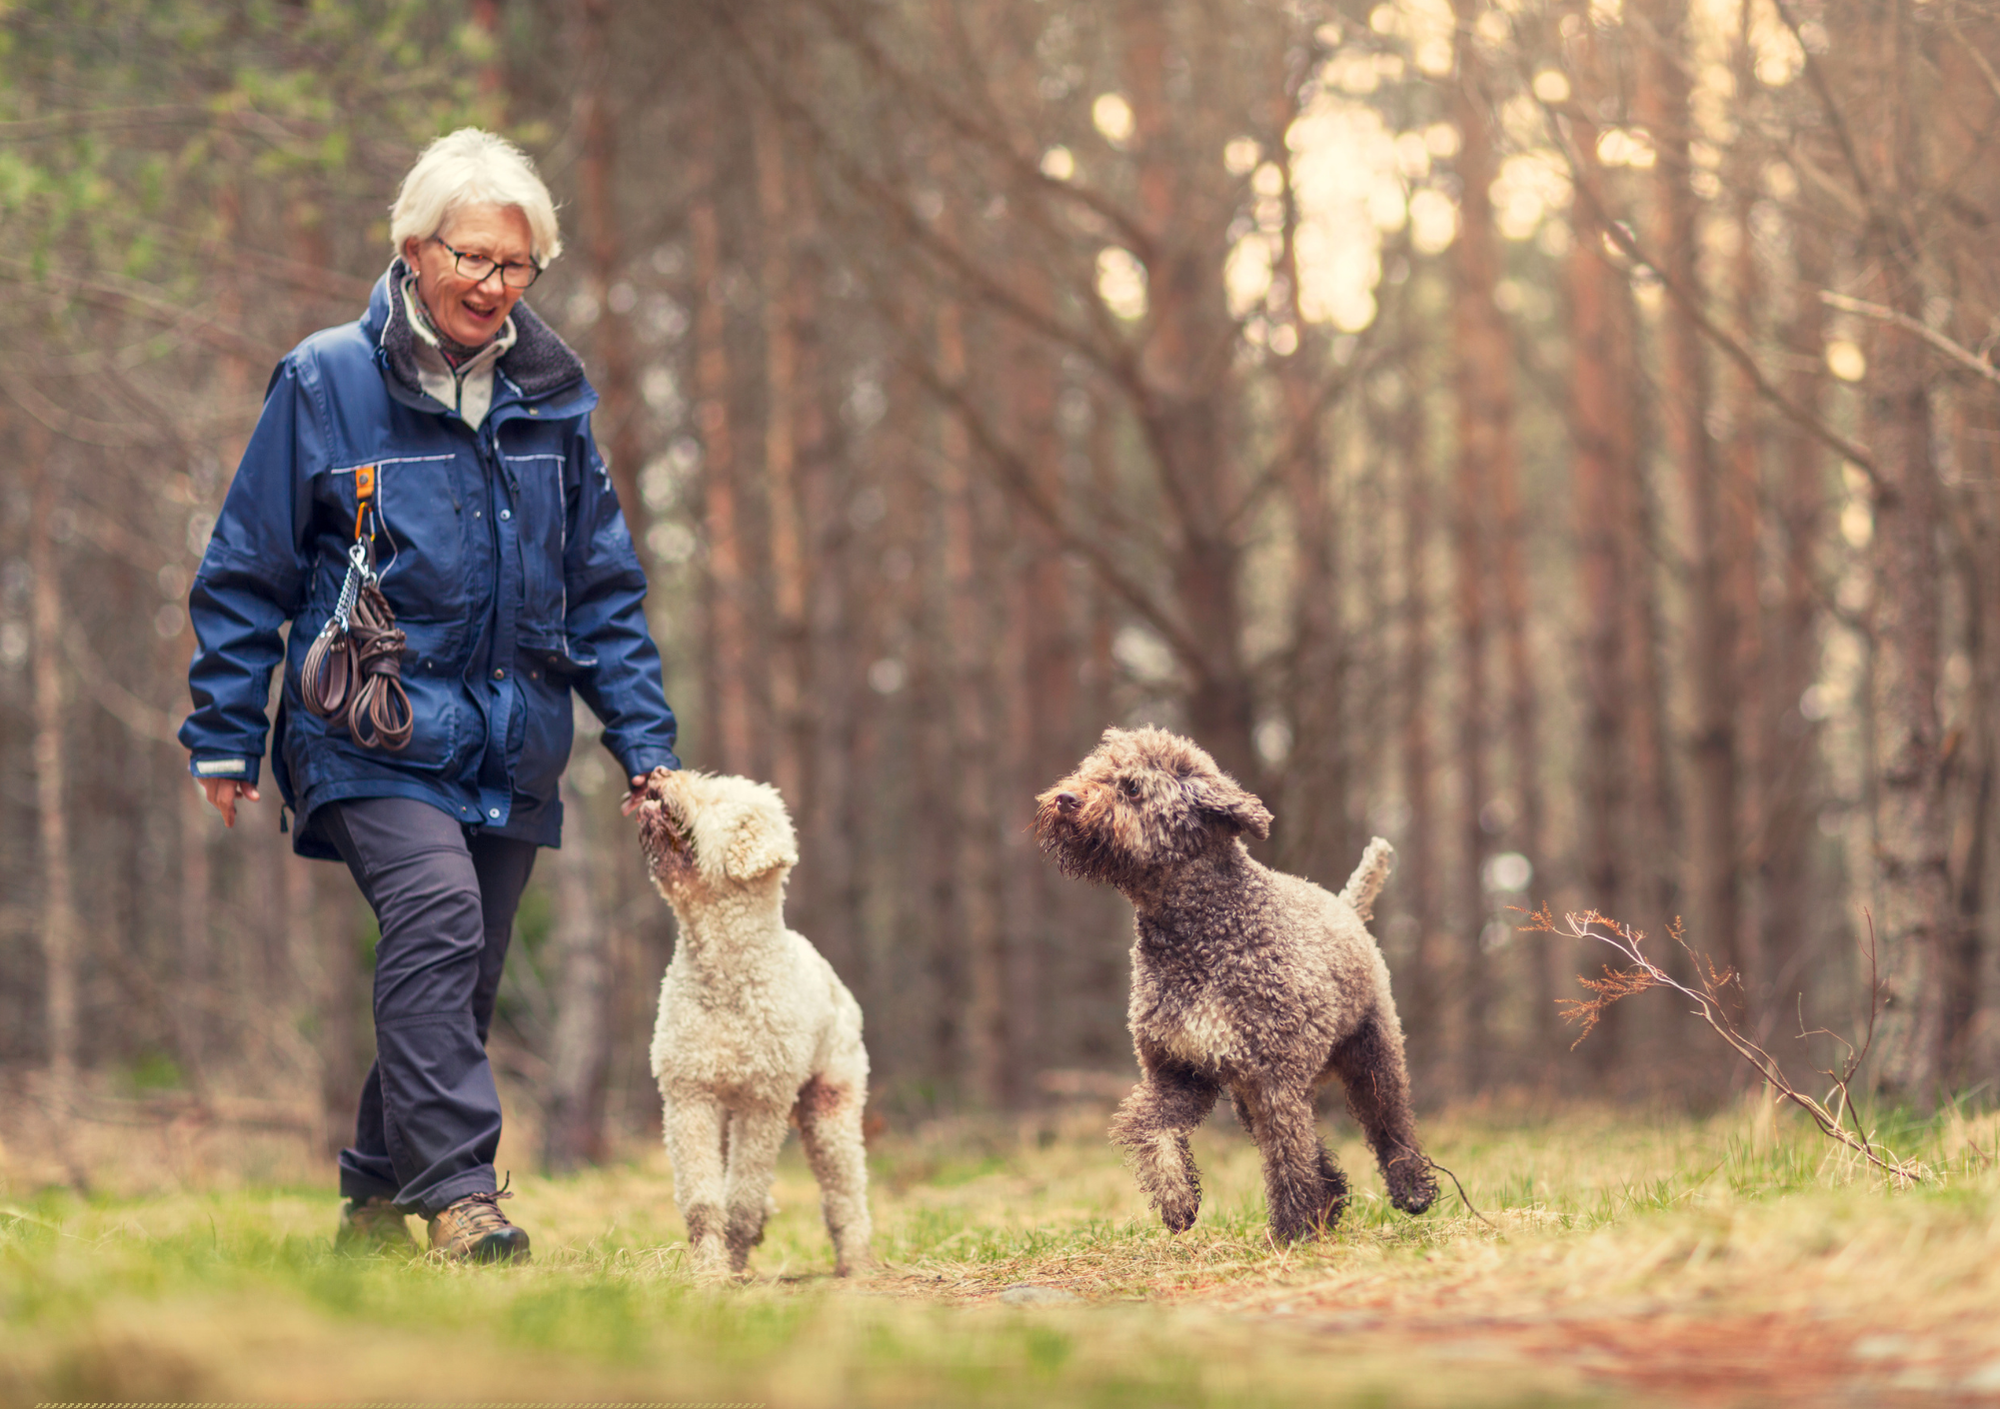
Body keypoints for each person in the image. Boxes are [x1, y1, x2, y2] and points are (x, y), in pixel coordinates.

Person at [178, 129, 679, 1263]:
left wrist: (646, 745)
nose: (494, 286)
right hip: (369, 726)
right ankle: (459, 1197)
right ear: (414, 251)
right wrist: (224, 733)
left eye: (517, 266)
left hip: (510, 739)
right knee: (440, 921)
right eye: (473, 258)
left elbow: (601, 589)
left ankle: (370, 1202)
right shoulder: (325, 381)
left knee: (458, 978)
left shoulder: (552, 399)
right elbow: (248, 567)